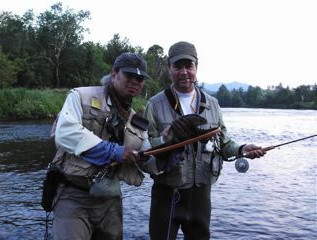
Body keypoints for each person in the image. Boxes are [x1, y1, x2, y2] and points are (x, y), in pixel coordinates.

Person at [143, 41, 266, 240]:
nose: (184, 72)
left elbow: (225, 145)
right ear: (169, 69)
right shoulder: (154, 104)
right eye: (178, 66)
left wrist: (243, 149)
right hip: (166, 193)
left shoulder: (212, 104)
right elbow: (144, 150)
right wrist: (165, 139)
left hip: (201, 196)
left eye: (188, 66)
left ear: (196, 67)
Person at [48, 52, 151, 240]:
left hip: (110, 203)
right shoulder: (80, 96)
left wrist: (172, 145)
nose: (135, 81)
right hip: (73, 196)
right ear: (113, 74)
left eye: (140, 78)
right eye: (129, 75)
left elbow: (149, 159)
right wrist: (114, 151)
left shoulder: (136, 121)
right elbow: (65, 133)